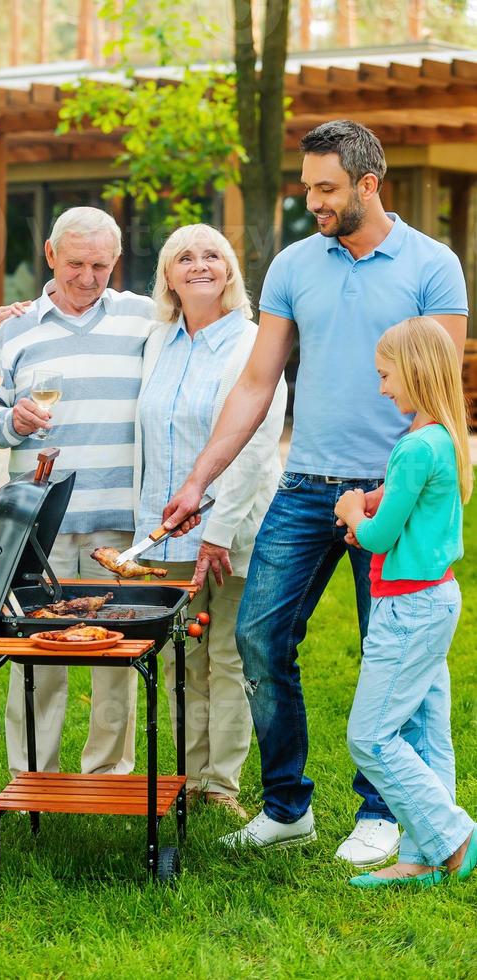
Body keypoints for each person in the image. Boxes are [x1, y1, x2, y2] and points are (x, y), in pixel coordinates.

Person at [161, 120, 468, 866]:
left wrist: (390, 499)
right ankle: (287, 806)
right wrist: (200, 477)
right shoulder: (297, 264)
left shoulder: (434, 266)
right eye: (307, 189)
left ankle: (382, 811)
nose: (314, 204)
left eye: (327, 190)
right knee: (261, 636)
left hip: (391, 491)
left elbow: (435, 394)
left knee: (385, 652)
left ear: (369, 184)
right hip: (304, 489)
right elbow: (258, 382)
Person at [0, 207, 155, 778]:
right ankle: (32, 773)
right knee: (36, 651)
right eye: (76, 263)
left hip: (118, 523)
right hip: (40, 524)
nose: (87, 277)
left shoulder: (144, 319)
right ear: (51, 256)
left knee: (118, 652)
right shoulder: (14, 327)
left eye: (101, 265)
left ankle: (108, 772)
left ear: (116, 262)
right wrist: (15, 424)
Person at [134, 225, 286, 818]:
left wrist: (218, 532)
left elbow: (256, 447)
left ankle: (221, 785)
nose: (200, 265)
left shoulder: (254, 342)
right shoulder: (156, 342)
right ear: (168, 276)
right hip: (163, 532)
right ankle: (187, 777)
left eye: (213, 256)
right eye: (185, 257)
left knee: (225, 656)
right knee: (178, 657)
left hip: (231, 533)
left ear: (230, 272)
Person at [334, 316, 476, 888]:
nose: (382, 387)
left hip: (408, 608)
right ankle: (422, 856)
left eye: (385, 375)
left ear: (414, 372)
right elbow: (405, 504)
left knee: (369, 737)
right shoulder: (442, 437)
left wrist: (351, 511)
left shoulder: (414, 447)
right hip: (435, 598)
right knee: (423, 730)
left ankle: (455, 836)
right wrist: (375, 499)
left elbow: (377, 537)